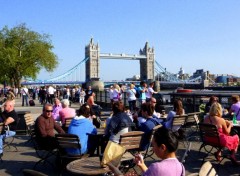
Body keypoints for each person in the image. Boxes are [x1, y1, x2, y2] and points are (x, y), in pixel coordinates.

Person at [107, 127, 185, 176]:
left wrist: (115, 170)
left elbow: (156, 171)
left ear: (162, 147)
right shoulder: (181, 167)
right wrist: (142, 165)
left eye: (153, 145)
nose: (153, 149)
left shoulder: (156, 167)